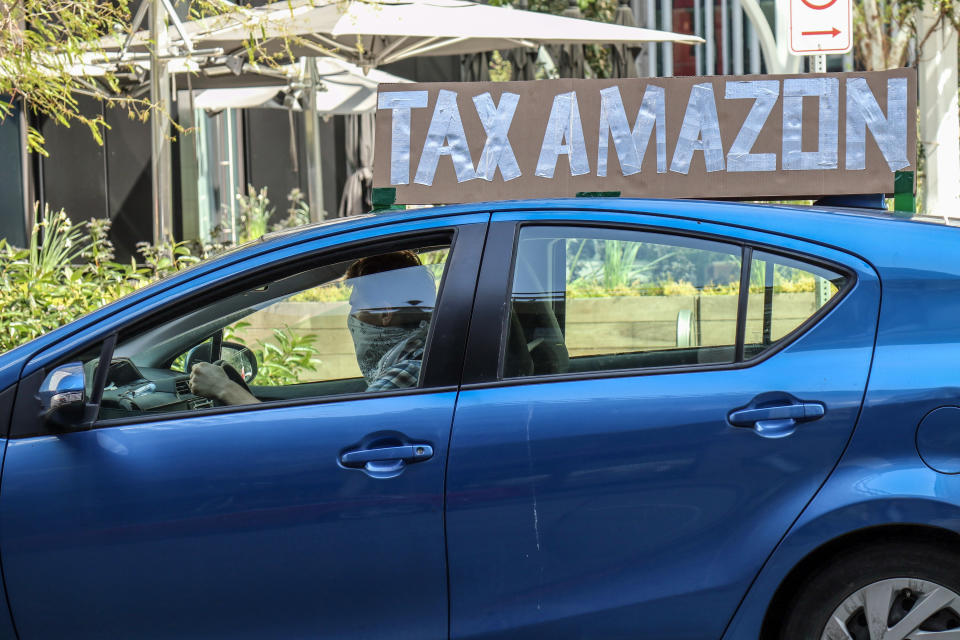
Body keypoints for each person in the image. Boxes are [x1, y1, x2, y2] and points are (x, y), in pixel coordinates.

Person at [189, 251, 437, 405]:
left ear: (384, 314)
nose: (352, 319)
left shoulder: (407, 373)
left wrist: (224, 388)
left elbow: (342, 439)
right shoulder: (412, 360)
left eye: (355, 307)